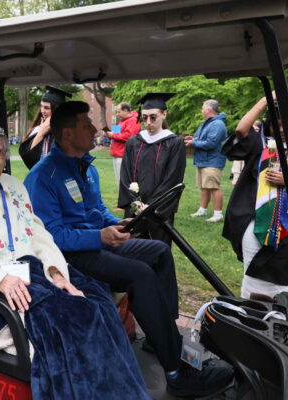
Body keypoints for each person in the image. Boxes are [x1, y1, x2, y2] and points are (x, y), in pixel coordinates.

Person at [0, 122, 150, 399]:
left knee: (98, 299)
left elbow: (38, 234)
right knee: (77, 317)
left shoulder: (13, 186)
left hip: (33, 272)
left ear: (5, 155)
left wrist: (56, 273)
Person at [24, 101, 232, 398]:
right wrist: (100, 237)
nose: (96, 130)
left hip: (93, 243)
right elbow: (51, 236)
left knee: (159, 251)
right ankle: (175, 372)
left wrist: (120, 224)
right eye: (87, 125)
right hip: (68, 257)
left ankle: (162, 335)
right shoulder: (44, 177)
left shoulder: (84, 168)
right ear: (68, 134)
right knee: (139, 273)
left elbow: (96, 211)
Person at [223, 95, 288, 300]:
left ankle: (271, 312)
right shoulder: (261, 147)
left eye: (287, 124)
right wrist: (262, 101)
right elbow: (241, 131)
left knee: (277, 275)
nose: (282, 129)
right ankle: (251, 310)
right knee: (251, 269)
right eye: (276, 125)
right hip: (256, 220)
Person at [117, 93, 186, 245]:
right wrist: (136, 203)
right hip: (135, 208)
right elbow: (125, 176)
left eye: (153, 117)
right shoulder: (133, 142)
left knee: (158, 248)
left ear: (164, 114)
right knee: (133, 248)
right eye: (144, 117)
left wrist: (150, 207)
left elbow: (172, 178)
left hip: (159, 209)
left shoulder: (174, 143)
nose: (148, 122)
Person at [185, 99, 228, 222]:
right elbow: (200, 137)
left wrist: (193, 142)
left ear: (208, 109)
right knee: (204, 186)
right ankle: (202, 210)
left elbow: (211, 143)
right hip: (204, 160)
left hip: (212, 161)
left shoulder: (217, 124)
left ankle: (218, 214)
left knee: (214, 187)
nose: (202, 110)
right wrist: (193, 138)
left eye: (203, 108)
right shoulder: (207, 123)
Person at [19, 86, 71, 169]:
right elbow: (29, 158)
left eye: (46, 108)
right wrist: (41, 132)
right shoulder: (38, 129)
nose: (42, 110)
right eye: (41, 106)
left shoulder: (68, 132)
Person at [106, 102, 141, 187]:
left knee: (123, 182)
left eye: (119, 112)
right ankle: (122, 199)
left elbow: (129, 137)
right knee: (119, 181)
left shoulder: (133, 120)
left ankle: (126, 199)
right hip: (117, 153)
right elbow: (116, 134)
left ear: (125, 110)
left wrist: (113, 134)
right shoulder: (122, 122)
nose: (117, 114)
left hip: (123, 155)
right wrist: (110, 135)